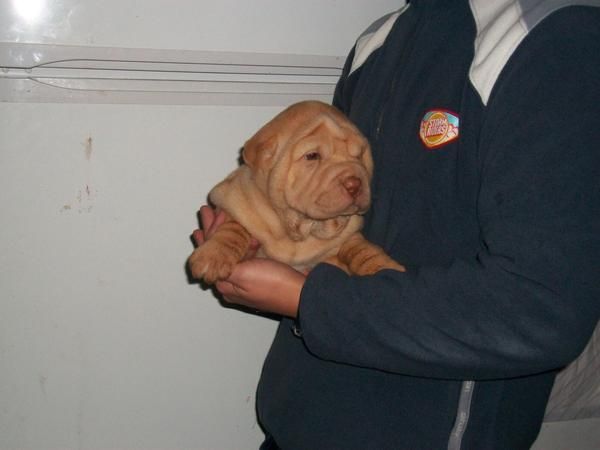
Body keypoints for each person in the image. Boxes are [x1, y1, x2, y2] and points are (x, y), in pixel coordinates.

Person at [192, 1, 600, 448]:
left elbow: (540, 309)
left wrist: (307, 299)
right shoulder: (378, 39)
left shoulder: (553, 38)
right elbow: (332, 220)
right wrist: (256, 243)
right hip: (298, 419)